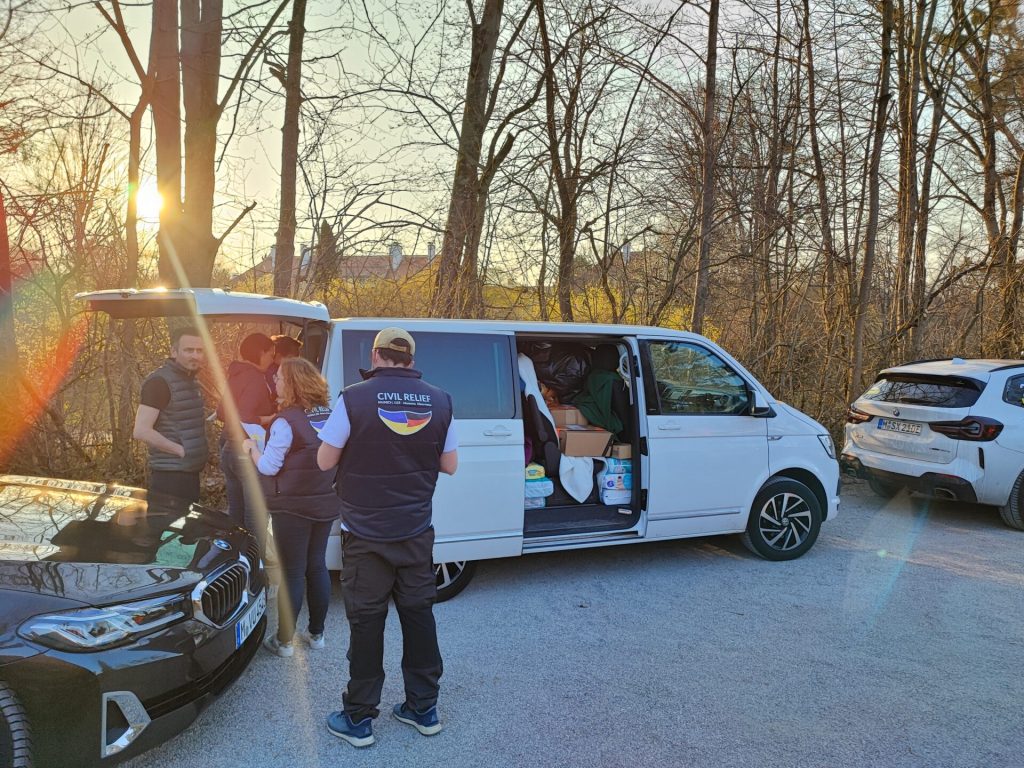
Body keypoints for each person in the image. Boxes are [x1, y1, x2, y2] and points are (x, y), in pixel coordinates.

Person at [317, 327, 458, 748]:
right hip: (415, 532)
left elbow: (325, 459)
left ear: (376, 356)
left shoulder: (354, 397)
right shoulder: (440, 399)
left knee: (367, 622)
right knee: (419, 616)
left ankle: (359, 718)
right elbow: (450, 466)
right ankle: (423, 709)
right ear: (410, 360)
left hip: (365, 534)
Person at [243, 357, 337, 658]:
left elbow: (269, 467)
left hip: (292, 507)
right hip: (326, 501)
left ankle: (284, 641)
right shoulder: (331, 415)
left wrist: (252, 449)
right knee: (317, 565)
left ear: (293, 383)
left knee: (293, 572)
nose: (275, 382)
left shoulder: (286, 422)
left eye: (281, 378)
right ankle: (317, 634)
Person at [133, 325, 208, 504]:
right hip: (170, 477)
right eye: (189, 350)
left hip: (189, 473)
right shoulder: (159, 382)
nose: (195, 355)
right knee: (165, 530)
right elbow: (141, 430)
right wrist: (180, 451)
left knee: (187, 530)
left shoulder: (190, 379)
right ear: (174, 352)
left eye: (199, 350)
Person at [217, 332, 277, 544]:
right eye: (271, 354)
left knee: (236, 512)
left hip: (229, 450)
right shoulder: (254, 378)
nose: (272, 360)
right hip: (247, 452)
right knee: (256, 517)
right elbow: (245, 416)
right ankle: (255, 567)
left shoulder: (236, 374)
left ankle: (234, 560)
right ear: (260, 353)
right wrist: (271, 417)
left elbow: (222, 412)